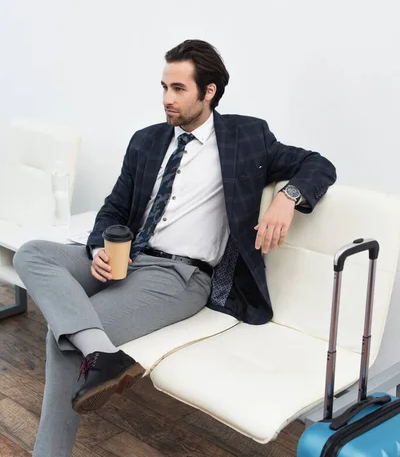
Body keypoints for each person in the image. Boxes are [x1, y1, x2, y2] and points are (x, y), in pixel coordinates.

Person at [13, 39, 336, 456]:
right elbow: (115, 207)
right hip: (125, 256)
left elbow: (319, 164)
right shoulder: (147, 141)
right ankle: (104, 356)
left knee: (63, 341)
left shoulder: (246, 137)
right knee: (32, 253)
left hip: (179, 276)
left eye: (179, 89)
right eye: (164, 87)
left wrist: (286, 197)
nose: (167, 99)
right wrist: (98, 248)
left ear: (209, 92)